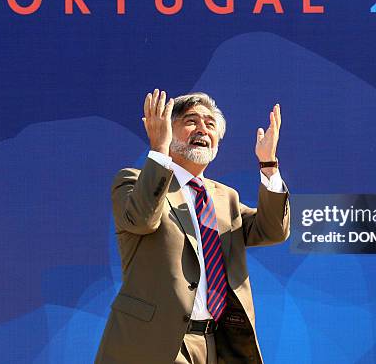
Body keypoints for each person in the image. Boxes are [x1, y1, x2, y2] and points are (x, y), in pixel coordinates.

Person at [95, 90, 290, 364]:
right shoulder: (134, 181)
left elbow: (273, 230)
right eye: (191, 121)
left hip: (214, 343)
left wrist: (269, 165)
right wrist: (159, 151)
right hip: (155, 343)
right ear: (167, 129)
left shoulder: (226, 198)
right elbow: (141, 220)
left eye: (210, 125)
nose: (202, 129)